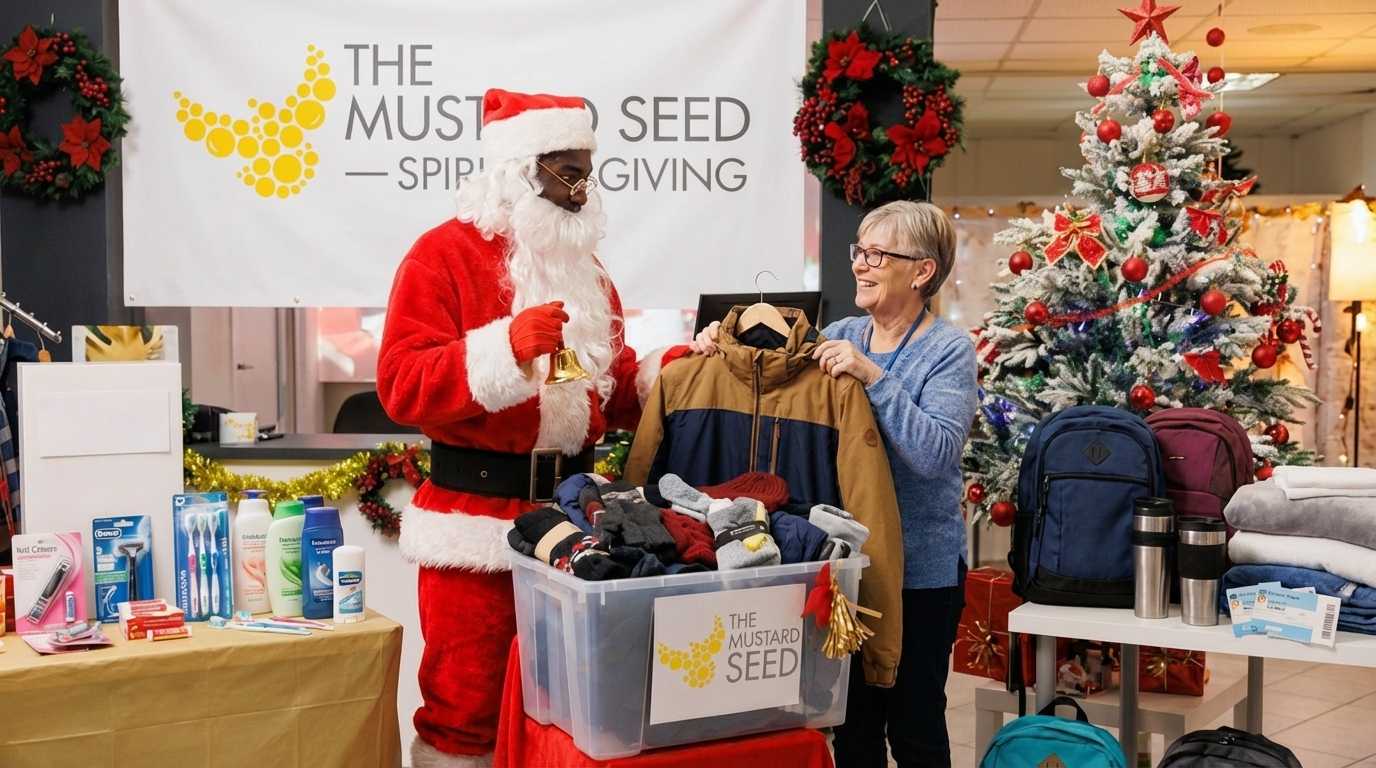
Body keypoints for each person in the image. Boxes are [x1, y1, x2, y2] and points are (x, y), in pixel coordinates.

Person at [378, 88, 677, 768]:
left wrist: (668, 375)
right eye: (567, 172)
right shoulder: (441, 256)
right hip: (476, 531)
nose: (581, 190)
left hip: (573, 527)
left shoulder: (585, 273)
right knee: (466, 712)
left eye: (587, 172)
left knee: (575, 706)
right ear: (520, 169)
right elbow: (401, 384)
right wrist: (505, 347)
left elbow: (598, 381)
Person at [692, 200, 977, 768]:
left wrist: (873, 376)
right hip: (843, 569)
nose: (861, 266)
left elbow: (936, 451)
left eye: (877, 254)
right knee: (851, 726)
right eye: (859, 252)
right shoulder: (840, 332)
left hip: (921, 576)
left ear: (921, 271)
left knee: (916, 723)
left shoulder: (949, 350)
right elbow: (770, 382)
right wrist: (712, 349)